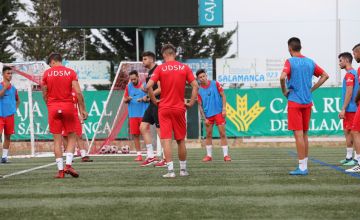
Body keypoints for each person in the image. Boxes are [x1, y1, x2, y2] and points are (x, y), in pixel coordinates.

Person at [146, 43, 198, 178]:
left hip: (164, 108)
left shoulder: (160, 68)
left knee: (167, 140)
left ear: (163, 55)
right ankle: (183, 170)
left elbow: (148, 86)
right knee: (180, 140)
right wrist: (191, 102)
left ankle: (170, 171)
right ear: (175, 54)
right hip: (179, 108)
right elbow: (195, 85)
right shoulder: (184, 67)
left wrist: (154, 100)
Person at [280, 37, 329, 175]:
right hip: (307, 102)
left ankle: (302, 167)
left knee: (298, 135)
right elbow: (325, 75)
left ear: (290, 49)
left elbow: (282, 77)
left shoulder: (290, 61)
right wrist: (312, 89)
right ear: (300, 47)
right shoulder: (310, 62)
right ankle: (304, 165)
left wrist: (284, 91)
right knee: (305, 134)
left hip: (295, 102)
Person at [42, 53, 88, 178]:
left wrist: (50, 105)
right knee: (72, 137)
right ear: (60, 61)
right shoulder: (71, 72)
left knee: (57, 140)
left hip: (53, 107)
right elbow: (78, 93)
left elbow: (44, 93)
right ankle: (68, 165)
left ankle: (60, 171)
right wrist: (83, 109)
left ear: (52, 61)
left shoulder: (47, 73)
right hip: (68, 107)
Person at [196, 69, 231, 162]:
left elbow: (223, 95)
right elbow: (199, 105)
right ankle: (209, 156)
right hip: (208, 115)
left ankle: (226, 155)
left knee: (222, 134)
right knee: (208, 135)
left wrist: (224, 109)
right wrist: (204, 118)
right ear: (198, 79)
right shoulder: (199, 90)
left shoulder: (215, 84)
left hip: (219, 112)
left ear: (206, 76)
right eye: (200, 77)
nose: (203, 78)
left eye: (204, 76)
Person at [139, 51, 166, 167]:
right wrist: (145, 92)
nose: (143, 61)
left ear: (151, 59)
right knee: (143, 127)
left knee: (161, 132)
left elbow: (161, 89)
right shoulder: (149, 73)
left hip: (159, 103)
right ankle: (151, 156)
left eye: (144, 59)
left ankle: (166, 158)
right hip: (152, 103)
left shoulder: (157, 70)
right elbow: (152, 89)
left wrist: (148, 95)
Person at [338, 52, 358, 166]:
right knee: (347, 132)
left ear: (346, 60)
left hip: (351, 109)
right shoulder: (352, 74)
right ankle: (349, 157)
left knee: (353, 133)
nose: (339, 63)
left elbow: (349, 92)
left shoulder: (350, 74)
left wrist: (343, 109)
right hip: (351, 108)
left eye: (340, 61)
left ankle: (356, 158)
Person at [124, 70, 149, 161]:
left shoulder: (145, 85)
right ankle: (139, 155)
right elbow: (125, 100)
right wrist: (128, 99)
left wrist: (143, 99)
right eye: (131, 79)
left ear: (138, 77)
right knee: (135, 134)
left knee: (146, 133)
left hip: (143, 113)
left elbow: (150, 97)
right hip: (133, 114)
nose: (133, 81)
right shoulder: (128, 86)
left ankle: (149, 154)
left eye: (134, 79)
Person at [62, 90, 93, 162]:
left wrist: (82, 112)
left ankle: (84, 155)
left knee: (79, 135)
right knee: (65, 136)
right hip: (64, 116)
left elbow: (80, 102)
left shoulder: (76, 91)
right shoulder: (61, 90)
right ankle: (69, 157)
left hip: (75, 116)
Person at [0, 66, 20, 163]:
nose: (10, 75)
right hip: (0, 116)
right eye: (8, 73)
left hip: (9, 116)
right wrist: (4, 87)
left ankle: (4, 157)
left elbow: (18, 100)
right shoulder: (0, 85)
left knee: (8, 137)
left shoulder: (14, 89)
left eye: (11, 73)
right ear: (3, 74)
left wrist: (14, 110)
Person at [346, 43, 360, 172]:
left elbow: (353, 91)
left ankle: (358, 162)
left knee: (355, 131)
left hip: (356, 106)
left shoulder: (354, 72)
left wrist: (356, 99)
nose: (354, 56)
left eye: (355, 53)